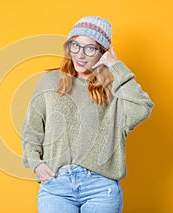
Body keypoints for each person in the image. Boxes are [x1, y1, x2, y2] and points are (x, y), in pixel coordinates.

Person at [21, 16, 154, 213]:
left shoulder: (114, 89)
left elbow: (142, 106)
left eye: (90, 48)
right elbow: (32, 130)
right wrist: (35, 163)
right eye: (75, 45)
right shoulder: (50, 81)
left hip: (101, 188)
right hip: (56, 187)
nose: (80, 55)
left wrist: (116, 66)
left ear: (103, 52)